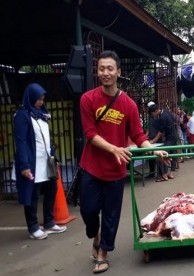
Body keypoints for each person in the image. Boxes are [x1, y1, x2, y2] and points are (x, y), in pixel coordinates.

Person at [79, 50, 168, 273]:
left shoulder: (128, 104)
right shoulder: (87, 99)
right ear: (97, 72)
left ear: (118, 71)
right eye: (101, 69)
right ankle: (95, 235)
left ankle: (103, 253)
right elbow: (90, 133)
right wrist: (113, 149)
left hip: (115, 171)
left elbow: (138, 135)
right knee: (89, 211)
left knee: (111, 215)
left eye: (110, 68)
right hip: (91, 166)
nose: (106, 73)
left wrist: (152, 151)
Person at [13, 83, 67, 240]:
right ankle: (33, 227)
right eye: (38, 99)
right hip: (31, 163)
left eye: (43, 99)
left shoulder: (42, 114)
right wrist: (24, 165)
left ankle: (49, 223)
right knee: (32, 195)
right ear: (30, 98)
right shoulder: (22, 116)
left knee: (51, 190)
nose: (41, 102)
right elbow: (21, 141)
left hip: (46, 162)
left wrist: (54, 157)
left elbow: (47, 138)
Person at [150, 104, 178, 181]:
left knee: (163, 154)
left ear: (155, 111)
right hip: (174, 136)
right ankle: (171, 173)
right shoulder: (167, 111)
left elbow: (160, 132)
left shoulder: (162, 117)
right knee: (173, 153)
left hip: (170, 138)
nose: (153, 116)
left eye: (153, 114)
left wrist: (153, 141)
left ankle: (164, 175)